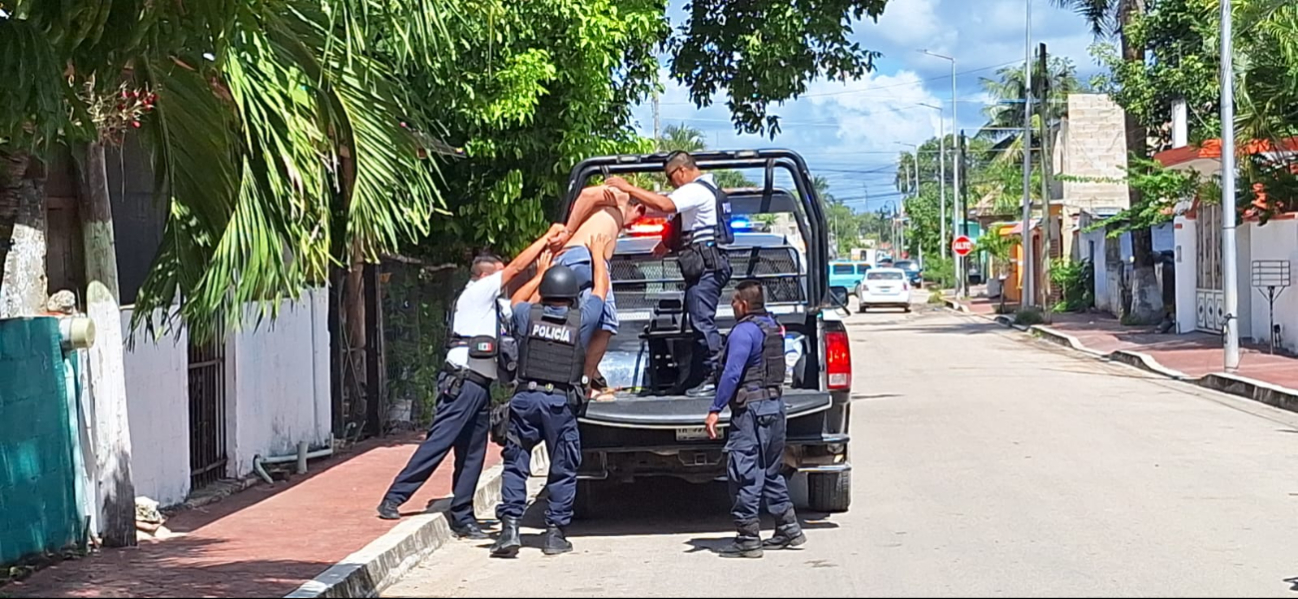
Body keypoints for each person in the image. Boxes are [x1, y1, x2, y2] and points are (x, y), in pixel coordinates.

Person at [375, 223, 569, 540]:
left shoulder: (493, 306)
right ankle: (394, 497)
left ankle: (463, 516)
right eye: (498, 276)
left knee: (473, 454)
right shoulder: (476, 294)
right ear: (483, 276)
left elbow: (522, 301)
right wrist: (545, 239)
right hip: (462, 383)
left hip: (480, 386)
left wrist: (543, 270)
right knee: (439, 442)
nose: (502, 281)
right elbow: (517, 268)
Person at [491, 234, 612, 558]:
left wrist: (540, 272)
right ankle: (555, 534)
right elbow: (600, 291)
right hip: (559, 404)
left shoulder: (525, 317)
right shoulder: (581, 320)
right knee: (563, 466)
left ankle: (510, 530)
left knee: (516, 464)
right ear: (572, 296)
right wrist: (599, 255)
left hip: (525, 400)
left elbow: (516, 299)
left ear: (545, 292)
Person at [607, 151, 733, 396]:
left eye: (670, 178)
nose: (670, 184)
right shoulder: (709, 188)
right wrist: (667, 243)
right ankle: (697, 378)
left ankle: (715, 378)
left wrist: (627, 187)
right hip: (708, 265)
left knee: (702, 323)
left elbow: (665, 205)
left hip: (706, 266)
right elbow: (685, 223)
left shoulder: (696, 189)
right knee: (697, 323)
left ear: (681, 171)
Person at [704, 280, 805, 558]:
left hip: (751, 412)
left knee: (744, 473)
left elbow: (732, 373)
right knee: (770, 471)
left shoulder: (744, 332)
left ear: (744, 304)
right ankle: (789, 528)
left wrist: (715, 409)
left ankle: (748, 538)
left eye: (734, 301)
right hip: (775, 407)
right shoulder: (773, 327)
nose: (732, 306)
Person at [552, 184, 646, 397]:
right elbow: (587, 194)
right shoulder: (621, 198)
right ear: (637, 208)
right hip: (585, 258)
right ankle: (584, 382)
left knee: (571, 322)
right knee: (607, 323)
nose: (636, 222)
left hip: (570, 260)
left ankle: (575, 377)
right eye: (640, 214)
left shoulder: (604, 219)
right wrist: (566, 231)